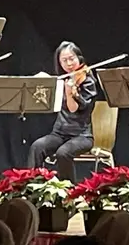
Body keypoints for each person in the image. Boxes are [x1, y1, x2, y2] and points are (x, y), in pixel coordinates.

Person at [27, 41, 98, 182]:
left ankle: (69, 189)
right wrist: (44, 82)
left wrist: (70, 93)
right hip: (59, 133)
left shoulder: (88, 82)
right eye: (64, 60)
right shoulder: (64, 79)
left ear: (79, 58)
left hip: (82, 136)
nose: (69, 64)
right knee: (37, 147)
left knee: (63, 153)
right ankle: (32, 185)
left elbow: (73, 109)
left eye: (72, 58)